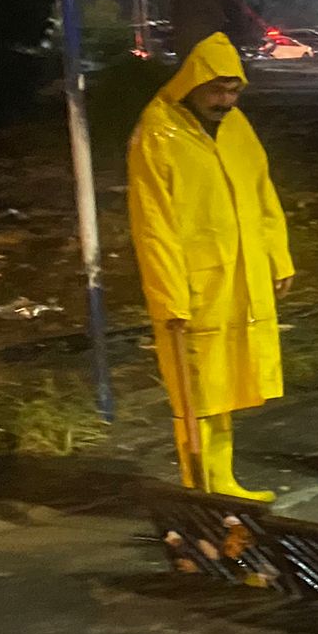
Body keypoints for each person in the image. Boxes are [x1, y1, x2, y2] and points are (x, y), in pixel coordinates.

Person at [127, 33, 294, 502]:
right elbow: (152, 221)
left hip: (238, 277)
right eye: (218, 89)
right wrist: (168, 294)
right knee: (195, 390)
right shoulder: (157, 131)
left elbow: (263, 194)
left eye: (234, 90)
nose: (226, 100)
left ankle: (223, 482)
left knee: (225, 384)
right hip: (193, 284)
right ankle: (200, 489)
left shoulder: (238, 127)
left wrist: (276, 257)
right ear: (194, 82)